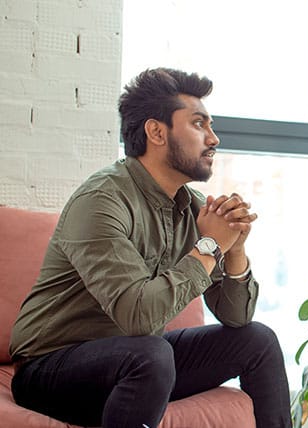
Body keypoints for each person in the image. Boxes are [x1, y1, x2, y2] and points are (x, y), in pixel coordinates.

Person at [9, 68, 291, 428]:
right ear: (157, 132)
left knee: (257, 341)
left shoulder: (191, 206)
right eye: (199, 124)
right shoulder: (102, 200)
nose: (214, 139)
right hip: (51, 368)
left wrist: (234, 248)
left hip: (136, 361)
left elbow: (236, 318)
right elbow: (139, 317)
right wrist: (209, 245)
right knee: (150, 353)